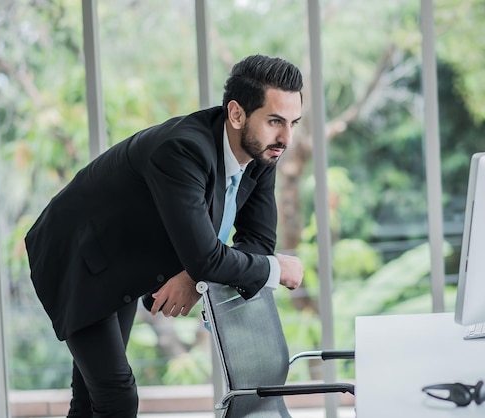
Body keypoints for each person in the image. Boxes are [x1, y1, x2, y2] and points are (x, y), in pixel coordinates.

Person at [25, 54, 304, 417]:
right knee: (116, 397)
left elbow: (256, 241)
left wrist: (194, 274)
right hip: (76, 256)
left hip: (125, 257)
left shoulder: (262, 152)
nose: (286, 138)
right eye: (275, 121)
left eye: (294, 122)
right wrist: (273, 269)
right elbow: (222, 256)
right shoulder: (183, 150)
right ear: (236, 114)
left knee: (90, 401)